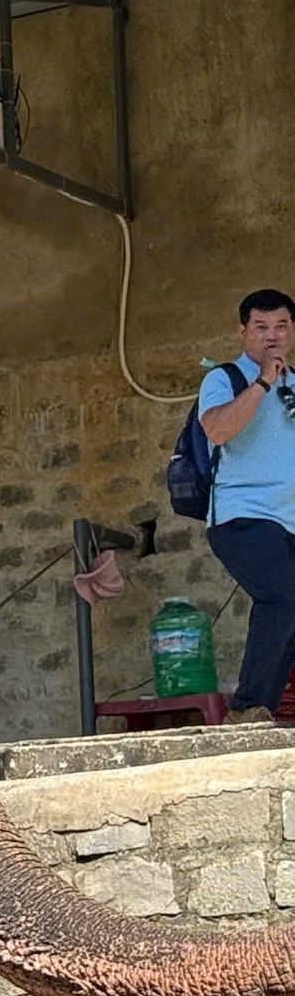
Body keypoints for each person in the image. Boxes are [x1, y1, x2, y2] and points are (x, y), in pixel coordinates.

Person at [199, 287, 295, 722]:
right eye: (261, 327)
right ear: (243, 333)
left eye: (281, 326)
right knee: (283, 595)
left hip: (289, 521)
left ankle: (260, 712)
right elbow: (219, 431)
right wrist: (262, 383)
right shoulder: (225, 379)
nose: (272, 337)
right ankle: (246, 707)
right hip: (243, 518)